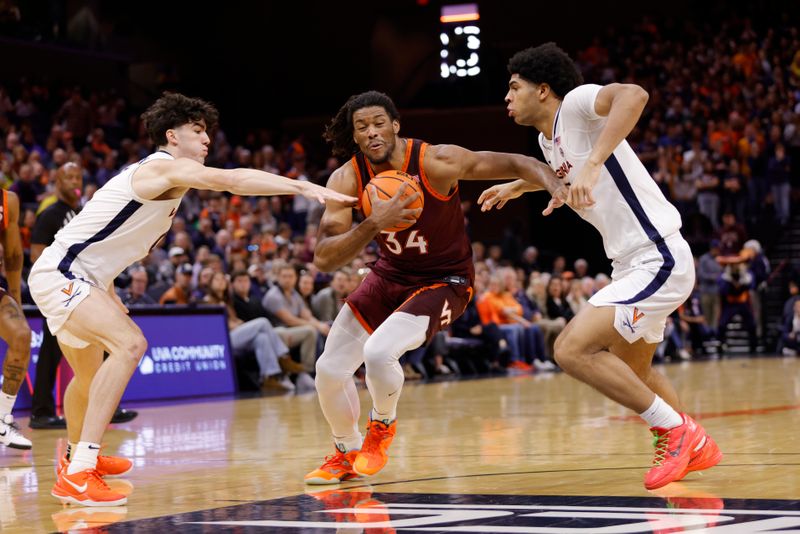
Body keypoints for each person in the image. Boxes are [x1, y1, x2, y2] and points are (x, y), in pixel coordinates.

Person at [28, 92, 355, 506]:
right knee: (130, 345)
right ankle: (79, 474)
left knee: (89, 378)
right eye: (198, 131)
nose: (206, 141)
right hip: (63, 274)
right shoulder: (162, 169)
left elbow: (99, 238)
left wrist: (106, 290)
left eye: (208, 134)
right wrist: (301, 186)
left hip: (83, 276)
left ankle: (77, 459)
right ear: (172, 135)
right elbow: (232, 180)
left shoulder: (163, 180)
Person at [478, 42, 721, 490]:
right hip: (630, 263)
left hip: (657, 255)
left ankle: (678, 433)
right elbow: (566, 170)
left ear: (544, 90)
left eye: (515, 88)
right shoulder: (545, 139)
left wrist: (594, 162)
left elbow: (635, 95)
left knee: (570, 349)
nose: (507, 98)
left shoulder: (575, 104)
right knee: (636, 372)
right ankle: (690, 444)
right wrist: (518, 186)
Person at [305, 90, 565, 485]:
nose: (371, 133)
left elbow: (518, 160)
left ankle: (382, 427)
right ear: (354, 136)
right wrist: (375, 221)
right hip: (389, 275)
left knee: (378, 353)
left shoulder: (436, 161)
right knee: (328, 370)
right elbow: (323, 258)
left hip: (446, 280)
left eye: (378, 123)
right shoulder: (347, 178)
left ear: (395, 125)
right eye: (362, 127)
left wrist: (554, 183)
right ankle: (346, 450)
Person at [0, 188, 33, 450]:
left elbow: (12, 255)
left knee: (22, 336)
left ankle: (1, 417)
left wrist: (16, 299)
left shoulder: (7, 200)